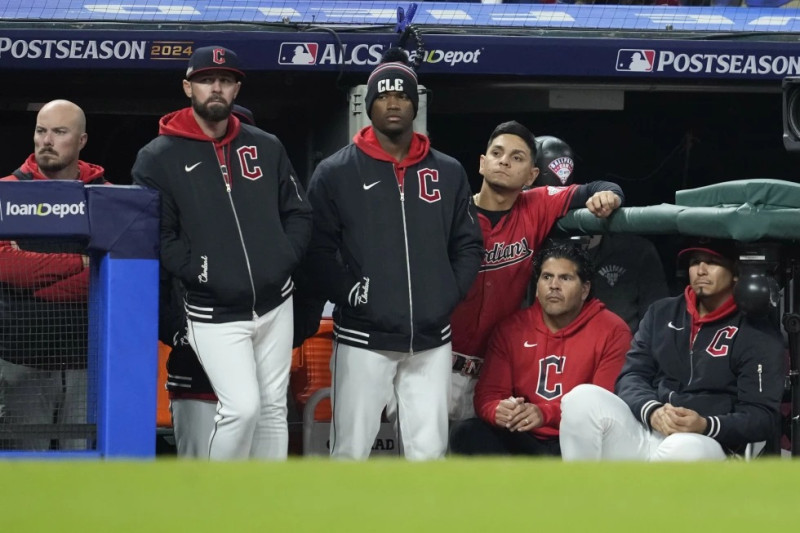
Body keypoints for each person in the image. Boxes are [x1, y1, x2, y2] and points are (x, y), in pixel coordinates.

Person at [132, 46, 313, 460]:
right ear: (187, 87)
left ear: (236, 89)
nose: (216, 87)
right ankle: (219, 507)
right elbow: (160, 235)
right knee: (242, 408)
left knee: (271, 409)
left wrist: (281, 258)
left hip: (274, 303)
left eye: (226, 80)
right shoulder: (158, 157)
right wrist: (202, 271)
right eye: (206, 79)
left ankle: (264, 509)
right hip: (213, 308)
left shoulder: (265, 145)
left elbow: (299, 212)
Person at [305, 47, 483, 461]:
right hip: (363, 338)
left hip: (431, 339)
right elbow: (317, 248)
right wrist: (352, 294)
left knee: (430, 452)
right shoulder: (336, 171)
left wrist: (446, 294)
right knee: (350, 450)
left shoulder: (448, 171)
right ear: (369, 106)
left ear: (414, 103)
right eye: (383, 96)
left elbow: (468, 243)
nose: (393, 103)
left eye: (402, 95)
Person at [448, 122, 624, 422]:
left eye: (517, 157)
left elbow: (598, 188)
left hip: (494, 371)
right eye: (497, 153)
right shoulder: (449, 211)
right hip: (438, 364)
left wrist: (610, 196)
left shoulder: (537, 204)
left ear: (531, 175)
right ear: (481, 162)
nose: (504, 160)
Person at [560, 238, 785, 461]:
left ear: (736, 272)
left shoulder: (755, 328)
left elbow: (761, 416)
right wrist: (653, 411)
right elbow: (632, 376)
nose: (701, 270)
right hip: (650, 428)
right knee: (580, 398)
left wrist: (706, 425)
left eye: (713, 262)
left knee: (683, 447)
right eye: (695, 262)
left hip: (707, 441)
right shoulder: (663, 312)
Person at [449, 242, 631, 455]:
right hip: (525, 434)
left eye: (565, 278)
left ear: (585, 290)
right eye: (546, 277)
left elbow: (603, 405)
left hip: (577, 439)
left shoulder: (613, 330)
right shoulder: (512, 328)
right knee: (466, 433)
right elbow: (488, 395)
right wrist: (500, 410)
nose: (554, 285)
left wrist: (545, 414)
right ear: (536, 287)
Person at [0, 99, 106, 450]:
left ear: (82, 140)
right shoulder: (5, 191)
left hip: (86, 364)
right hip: (19, 361)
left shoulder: (106, 197)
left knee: (82, 477)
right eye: (41, 131)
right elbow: (8, 269)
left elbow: (108, 279)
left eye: (60, 132)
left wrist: (37, 280)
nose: (47, 140)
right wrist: (81, 263)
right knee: (26, 478)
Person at [160, 104, 255, 459]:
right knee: (198, 481)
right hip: (195, 371)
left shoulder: (270, 212)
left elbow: (300, 276)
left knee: (256, 485)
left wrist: (290, 333)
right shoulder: (176, 206)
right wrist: (179, 332)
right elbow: (153, 286)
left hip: (259, 367)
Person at [531, 135, 669, 333]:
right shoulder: (529, 244)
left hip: (623, 356)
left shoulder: (636, 251)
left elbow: (658, 323)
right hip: (556, 353)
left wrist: (609, 197)